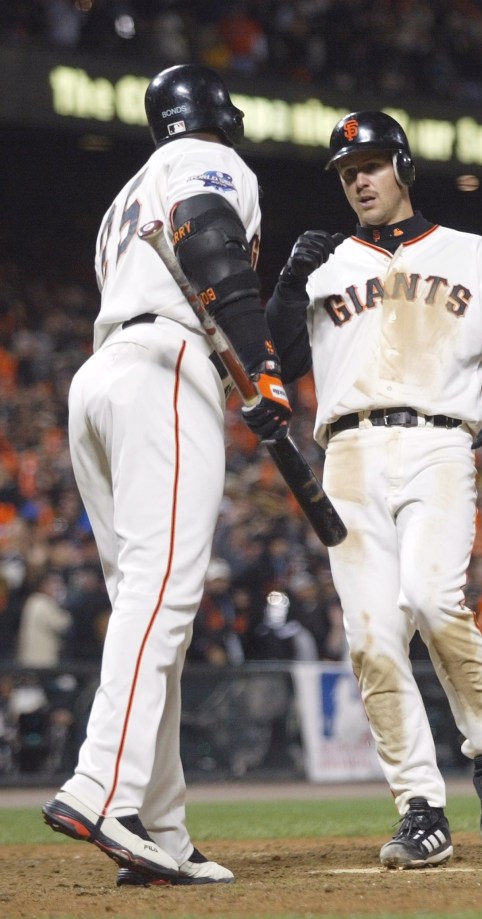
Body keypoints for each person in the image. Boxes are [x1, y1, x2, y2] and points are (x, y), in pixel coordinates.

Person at [257, 111, 482, 869]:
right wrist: (289, 286)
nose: (359, 178)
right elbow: (277, 368)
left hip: (438, 443)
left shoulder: (469, 252)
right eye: (348, 170)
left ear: (403, 167)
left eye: (373, 164)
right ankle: (420, 805)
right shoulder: (323, 265)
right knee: (371, 636)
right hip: (347, 451)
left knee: (428, 596)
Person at [42, 63, 292, 887]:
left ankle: (161, 824)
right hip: (164, 364)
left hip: (101, 375)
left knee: (149, 611)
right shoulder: (206, 161)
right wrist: (259, 360)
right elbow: (206, 225)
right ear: (218, 112)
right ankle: (100, 785)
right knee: (164, 596)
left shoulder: (125, 194)